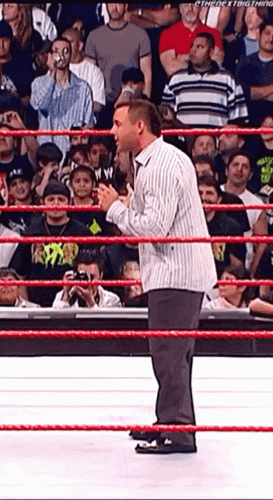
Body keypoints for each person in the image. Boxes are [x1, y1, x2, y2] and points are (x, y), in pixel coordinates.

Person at [98, 99, 217, 454]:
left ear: (138, 127)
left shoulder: (161, 165)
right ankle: (169, 421)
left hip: (175, 273)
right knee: (171, 354)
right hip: (172, 271)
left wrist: (114, 209)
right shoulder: (152, 162)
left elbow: (155, 229)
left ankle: (178, 431)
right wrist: (126, 208)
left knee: (168, 355)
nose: (112, 131)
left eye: (117, 124)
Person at [9, 180, 89, 307]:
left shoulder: (81, 232)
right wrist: (27, 306)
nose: (56, 204)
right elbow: (19, 273)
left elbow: (92, 269)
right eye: (51, 199)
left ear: (69, 203)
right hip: (37, 305)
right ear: (43, 203)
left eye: (61, 199)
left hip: (73, 303)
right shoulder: (32, 232)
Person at [161, 32, 248, 127]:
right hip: (182, 136)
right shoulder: (176, 79)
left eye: (199, 47)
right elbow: (165, 116)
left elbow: (239, 120)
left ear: (210, 52)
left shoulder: (228, 80)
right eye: (192, 46)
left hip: (217, 136)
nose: (193, 50)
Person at [85, 3, 151, 126]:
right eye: (111, 3)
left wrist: (145, 103)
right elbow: (89, 75)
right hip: (104, 105)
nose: (114, 7)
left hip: (133, 103)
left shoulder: (140, 34)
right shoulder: (94, 37)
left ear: (125, 6)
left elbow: (146, 73)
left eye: (119, 3)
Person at [31, 36, 94, 157]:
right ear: (50, 55)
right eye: (56, 51)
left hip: (72, 153)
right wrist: (52, 74)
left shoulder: (83, 88)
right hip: (47, 152)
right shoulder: (38, 83)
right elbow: (40, 105)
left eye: (66, 51)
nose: (61, 55)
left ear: (70, 56)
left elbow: (88, 125)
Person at [221, 151, 267, 274]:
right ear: (226, 170)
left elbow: (261, 244)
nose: (239, 169)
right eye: (235, 164)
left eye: (245, 166)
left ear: (250, 174)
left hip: (242, 269)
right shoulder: (211, 194)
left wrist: (251, 273)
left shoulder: (257, 204)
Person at [159, 3, 224, 78]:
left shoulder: (214, 33)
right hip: (180, 82)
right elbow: (170, 68)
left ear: (200, 8)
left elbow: (217, 62)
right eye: (186, 6)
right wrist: (202, 59)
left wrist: (183, 58)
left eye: (193, 5)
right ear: (180, 9)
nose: (190, 9)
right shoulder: (168, 34)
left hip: (208, 81)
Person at [198, 174, 246, 275]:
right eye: (199, 193)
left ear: (219, 199)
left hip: (220, 281)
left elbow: (237, 266)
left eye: (209, 193)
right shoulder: (184, 225)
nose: (203, 197)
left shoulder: (231, 226)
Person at [53, 249, 121, 309]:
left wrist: (91, 303)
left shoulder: (112, 300)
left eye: (91, 277)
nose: (87, 282)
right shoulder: (61, 296)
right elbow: (56, 319)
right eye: (83, 276)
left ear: (100, 276)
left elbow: (104, 320)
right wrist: (66, 294)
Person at [236, 21, 273, 125]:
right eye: (267, 33)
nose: (271, 38)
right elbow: (241, 93)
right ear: (258, 35)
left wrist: (255, 92)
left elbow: (250, 93)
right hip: (249, 120)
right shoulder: (245, 63)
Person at [62, 27, 105, 117]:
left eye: (69, 42)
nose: (65, 47)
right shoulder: (57, 69)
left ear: (79, 45)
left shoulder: (93, 72)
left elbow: (98, 105)